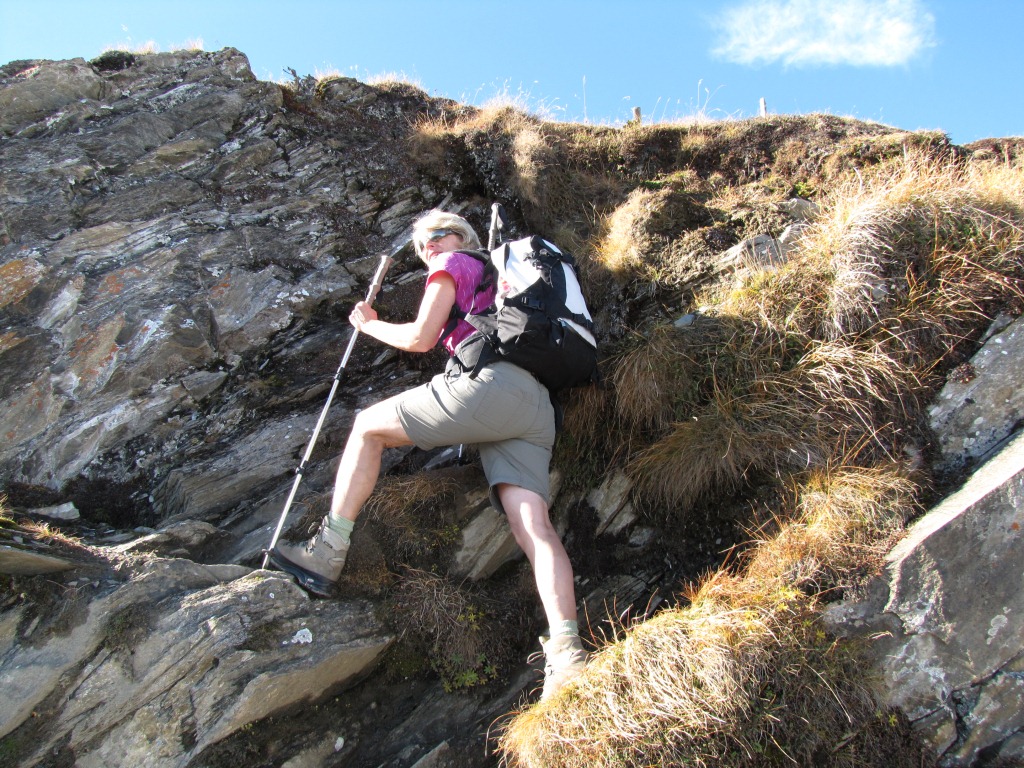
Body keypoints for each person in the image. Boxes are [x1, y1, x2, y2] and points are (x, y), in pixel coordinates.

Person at [271, 210, 587, 700]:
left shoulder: (457, 263)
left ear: (463, 237)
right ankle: (568, 655)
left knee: (367, 428)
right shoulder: (504, 280)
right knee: (534, 527)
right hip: (536, 406)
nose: (429, 248)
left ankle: (327, 553)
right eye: (421, 246)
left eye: (437, 236)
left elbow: (420, 338)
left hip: (487, 388)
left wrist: (370, 324)